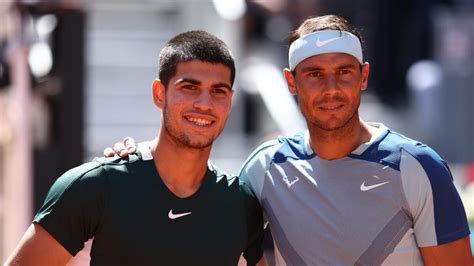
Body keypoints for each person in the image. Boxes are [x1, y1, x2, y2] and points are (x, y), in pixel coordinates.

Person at [107, 15, 473, 265]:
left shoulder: (418, 166)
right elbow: (193, 197)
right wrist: (135, 160)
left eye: (343, 72)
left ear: (363, 77)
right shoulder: (266, 167)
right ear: (291, 82)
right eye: (314, 74)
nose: (331, 88)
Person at [5, 30, 264, 266]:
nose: (204, 103)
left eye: (218, 91)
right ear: (159, 93)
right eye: (189, 87)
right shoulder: (94, 187)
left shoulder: (240, 203)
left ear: (230, 101)